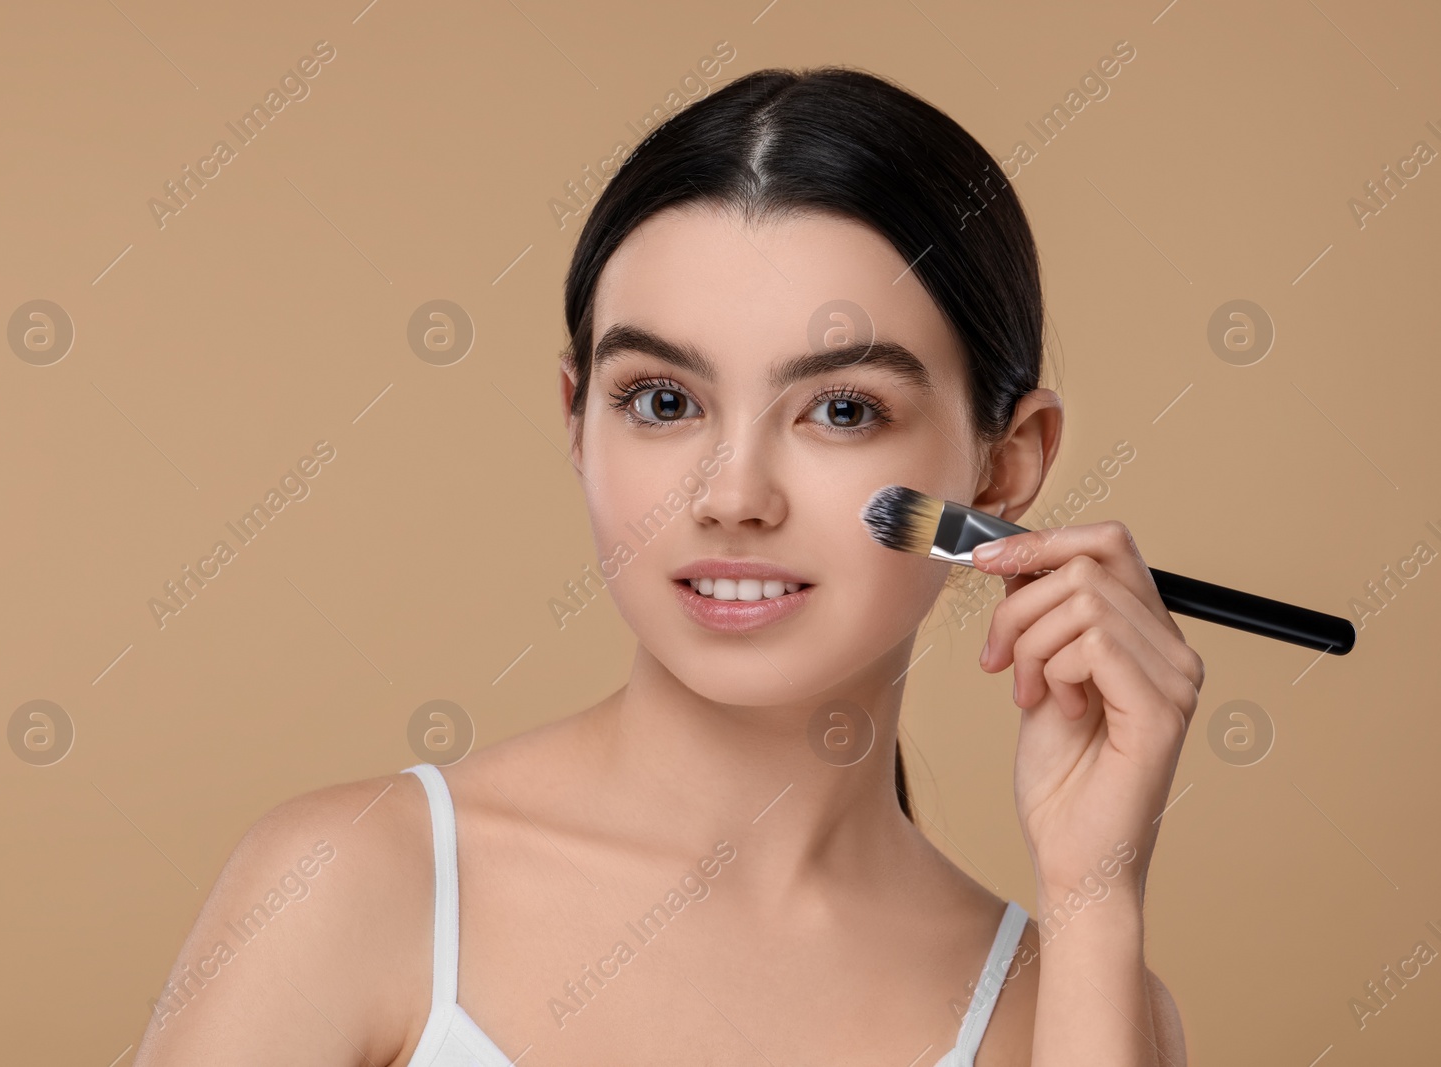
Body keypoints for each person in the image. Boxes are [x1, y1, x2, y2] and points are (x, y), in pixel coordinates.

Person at [133, 66, 1200, 1066]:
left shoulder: (1072, 1003)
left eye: (840, 409)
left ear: (1005, 467)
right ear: (576, 419)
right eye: (663, 401)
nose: (733, 495)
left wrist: (1093, 891)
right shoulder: (352, 883)